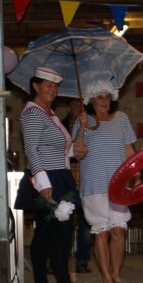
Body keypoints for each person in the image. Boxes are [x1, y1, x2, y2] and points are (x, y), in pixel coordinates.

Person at [13, 67, 94, 283]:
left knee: (51, 232)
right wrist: (42, 182)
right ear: (35, 86)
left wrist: (75, 149)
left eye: (56, 85)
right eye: (47, 84)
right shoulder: (33, 113)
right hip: (48, 178)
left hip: (59, 175)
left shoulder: (49, 113)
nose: (53, 89)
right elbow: (31, 149)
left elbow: (55, 148)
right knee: (57, 232)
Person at [72, 80, 137, 283]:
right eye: (99, 97)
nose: (104, 100)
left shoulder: (122, 119)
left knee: (118, 230)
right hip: (94, 184)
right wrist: (82, 127)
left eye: (107, 96)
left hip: (118, 183)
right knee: (101, 232)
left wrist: (136, 173)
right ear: (91, 100)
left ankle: (117, 275)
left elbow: (129, 150)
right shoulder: (82, 121)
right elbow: (77, 152)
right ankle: (107, 279)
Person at [62, 98, 93, 274]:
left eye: (80, 104)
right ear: (68, 107)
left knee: (87, 220)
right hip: (67, 177)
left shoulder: (91, 123)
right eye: (73, 104)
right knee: (63, 220)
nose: (77, 107)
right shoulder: (60, 125)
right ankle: (58, 260)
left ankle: (82, 260)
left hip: (85, 178)